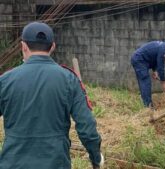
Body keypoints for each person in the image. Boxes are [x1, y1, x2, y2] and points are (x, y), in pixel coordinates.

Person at [0, 22, 103, 169]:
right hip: (55, 162)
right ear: (53, 46)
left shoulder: (5, 80)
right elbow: (87, 128)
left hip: (12, 163)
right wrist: (96, 158)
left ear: (23, 46)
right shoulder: (69, 79)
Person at [131, 39, 165, 108]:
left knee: (144, 82)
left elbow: (155, 59)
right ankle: (148, 106)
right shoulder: (163, 50)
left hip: (142, 60)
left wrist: (155, 71)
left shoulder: (163, 47)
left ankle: (146, 103)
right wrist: (164, 82)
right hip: (139, 60)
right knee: (145, 82)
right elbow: (161, 67)